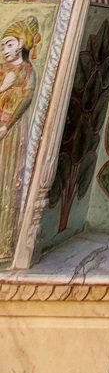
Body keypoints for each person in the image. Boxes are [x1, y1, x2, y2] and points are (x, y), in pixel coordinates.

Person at [0, 15, 40, 261]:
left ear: (22, 44)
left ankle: (7, 243)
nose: (5, 50)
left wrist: (6, 124)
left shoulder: (26, 72)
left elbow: (26, 98)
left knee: (9, 180)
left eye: (10, 44)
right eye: (3, 45)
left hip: (11, 130)